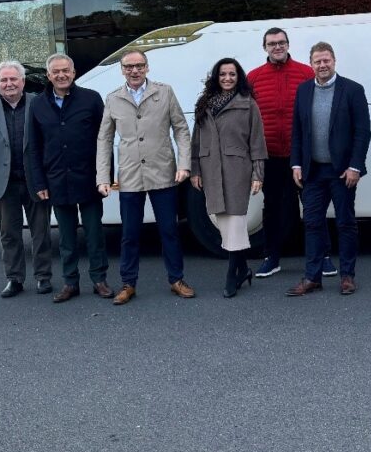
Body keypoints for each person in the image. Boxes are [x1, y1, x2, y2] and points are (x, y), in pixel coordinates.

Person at [96, 49, 194, 305]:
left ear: (147, 67)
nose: (134, 70)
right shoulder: (113, 98)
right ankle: (128, 283)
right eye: (129, 67)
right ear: (122, 70)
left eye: (139, 65)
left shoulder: (165, 92)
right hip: (130, 175)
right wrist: (102, 176)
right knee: (129, 233)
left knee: (169, 230)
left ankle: (176, 279)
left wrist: (184, 163)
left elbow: (181, 129)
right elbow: (104, 139)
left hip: (163, 172)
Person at [24, 52, 113, 303]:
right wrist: (39, 182)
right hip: (56, 181)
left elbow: (104, 141)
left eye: (66, 70)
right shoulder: (38, 104)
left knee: (95, 234)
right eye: (56, 72)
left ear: (73, 73)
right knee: (66, 238)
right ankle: (70, 282)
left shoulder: (91, 99)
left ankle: (99, 279)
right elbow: (34, 147)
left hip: (89, 178)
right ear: (49, 76)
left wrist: (106, 177)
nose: (61, 75)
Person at [247, 27, 334, 278]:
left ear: (288, 44)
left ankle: (323, 256)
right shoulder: (253, 78)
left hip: (304, 155)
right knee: (272, 208)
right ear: (265, 47)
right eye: (272, 43)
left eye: (281, 42)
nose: (277, 47)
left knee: (313, 206)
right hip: (270, 155)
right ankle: (271, 258)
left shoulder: (306, 73)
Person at [287, 42, 371, 297]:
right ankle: (312, 277)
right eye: (317, 61)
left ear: (334, 61)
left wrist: (355, 166)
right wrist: (297, 163)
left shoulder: (353, 90)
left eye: (326, 60)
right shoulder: (303, 91)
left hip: (342, 171)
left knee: (345, 223)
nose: (322, 65)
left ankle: (347, 276)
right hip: (313, 172)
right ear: (311, 64)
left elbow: (362, 132)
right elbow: (298, 131)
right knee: (312, 223)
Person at [0, 60, 53, 298]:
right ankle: (14, 278)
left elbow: (51, 142)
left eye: (14, 79)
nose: (9, 83)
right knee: (9, 234)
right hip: (2, 182)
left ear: (23, 81)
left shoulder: (39, 103)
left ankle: (43, 277)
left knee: (41, 232)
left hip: (35, 181)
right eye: (3, 80)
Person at [190, 58, 268, 298]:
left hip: (237, 169)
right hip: (210, 168)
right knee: (222, 219)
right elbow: (196, 141)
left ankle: (232, 273)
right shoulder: (204, 104)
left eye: (232, 74)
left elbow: (257, 141)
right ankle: (243, 268)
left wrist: (258, 173)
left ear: (239, 77)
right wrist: (195, 170)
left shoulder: (248, 104)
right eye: (223, 74)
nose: (227, 78)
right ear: (216, 76)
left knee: (235, 220)